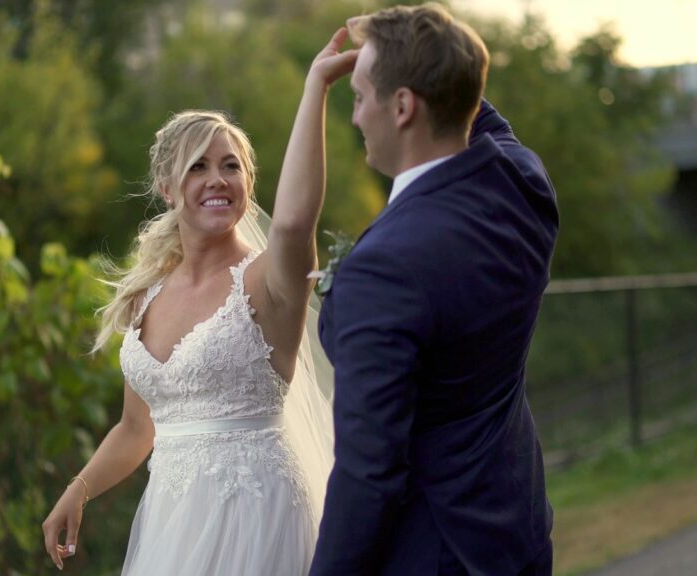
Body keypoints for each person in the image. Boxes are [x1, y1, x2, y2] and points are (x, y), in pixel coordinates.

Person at [40, 30, 357, 574]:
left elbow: (297, 219)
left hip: (259, 515)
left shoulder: (265, 281)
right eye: (198, 166)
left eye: (231, 166)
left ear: (248, 181)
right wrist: (78, 490)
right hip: (173, 519)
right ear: (167, 186)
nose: (218, 179)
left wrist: (316, 87)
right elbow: (137, 428)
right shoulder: (145, 298)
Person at [309, 4, 559, 576]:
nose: (353, 117)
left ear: (401, 106)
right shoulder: (524, 186)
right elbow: (469, 102)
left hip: (438, 552)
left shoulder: (383, 270)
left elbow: (367, 475)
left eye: (358, 96)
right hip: (516, 531)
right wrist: (412, 33)